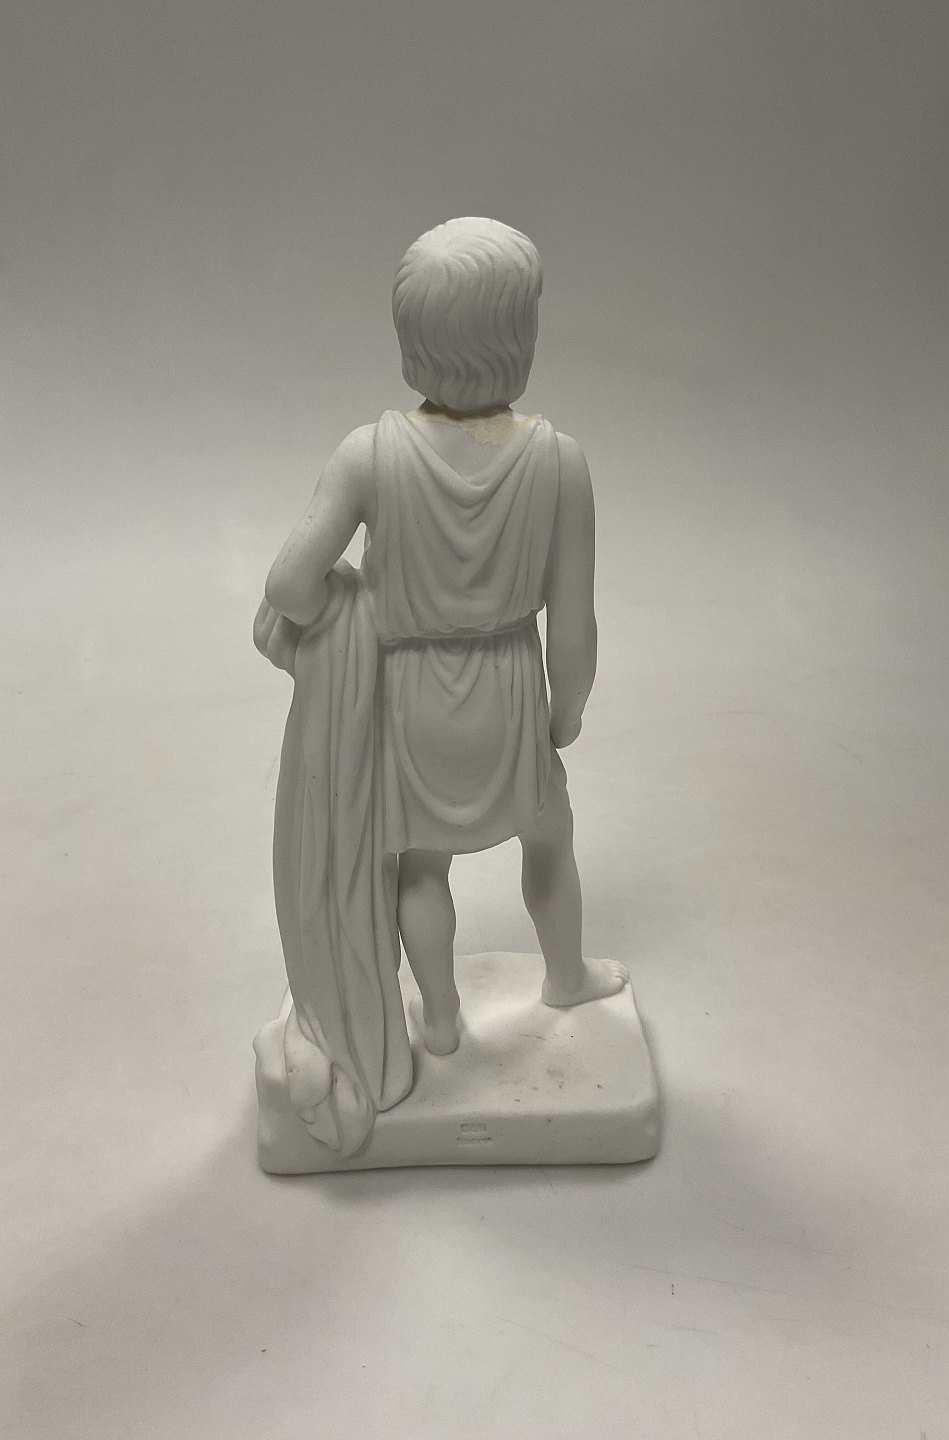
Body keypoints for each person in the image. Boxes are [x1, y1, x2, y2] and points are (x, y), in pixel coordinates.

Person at [262, 216, 625, 1075]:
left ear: (411, 343)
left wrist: (352, 612)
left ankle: (442, 1021)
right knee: (550, 835)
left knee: (421, 866)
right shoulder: (561, 462)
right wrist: (564, 718)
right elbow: (574, 630)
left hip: (409, 694)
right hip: (509, 689)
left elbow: (289, 587)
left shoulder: (368, 456)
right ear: (519, 340)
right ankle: (566, 977)